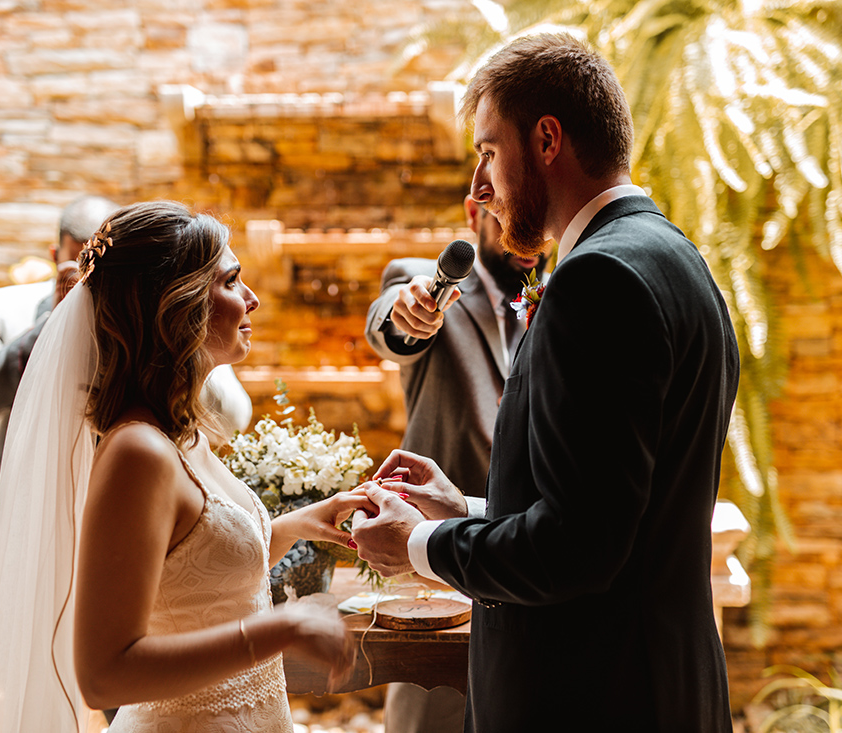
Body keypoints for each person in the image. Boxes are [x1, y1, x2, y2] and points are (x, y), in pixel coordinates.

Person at [351, 33, 740, 731]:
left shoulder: (597, 281)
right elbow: (618, 511)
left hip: (589, 697)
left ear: (547, 140)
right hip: (663, 685)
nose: (478, 189)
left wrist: (416, 543)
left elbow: (577, 548)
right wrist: (464, 506)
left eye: (488, 153)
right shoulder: (679, 259)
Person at [0, 201, 374, 733]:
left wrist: (300, 524)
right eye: (232, 281)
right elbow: (104, 676)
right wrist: (281, 630)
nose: (253, 299)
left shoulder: (182, 432)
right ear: (177, 307)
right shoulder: (138, 453)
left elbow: (196, 583)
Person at [0, 195, 253, 564]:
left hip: (136, 517)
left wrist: (186, 348)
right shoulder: (6, 308)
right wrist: (56, 331)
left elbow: (234, 417)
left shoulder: (171, 319)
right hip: (25, 522)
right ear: (54, 254)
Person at [365, 195, 548, 732]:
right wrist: (409, 309)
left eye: (537, 228)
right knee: (431, 715)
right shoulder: (424, 283)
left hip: (522, 556)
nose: (527, 239)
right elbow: (393, 325)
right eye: (511, 219)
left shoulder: (560, 297)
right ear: (474, 214)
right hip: (435, 565)